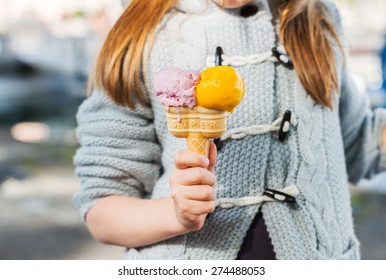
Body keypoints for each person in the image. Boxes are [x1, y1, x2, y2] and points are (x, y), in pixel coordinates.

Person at [73, 0, 386, 260]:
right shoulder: (139, 31)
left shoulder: (316, 15)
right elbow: (104, 209)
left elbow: (354, 144)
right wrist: (176, 213)